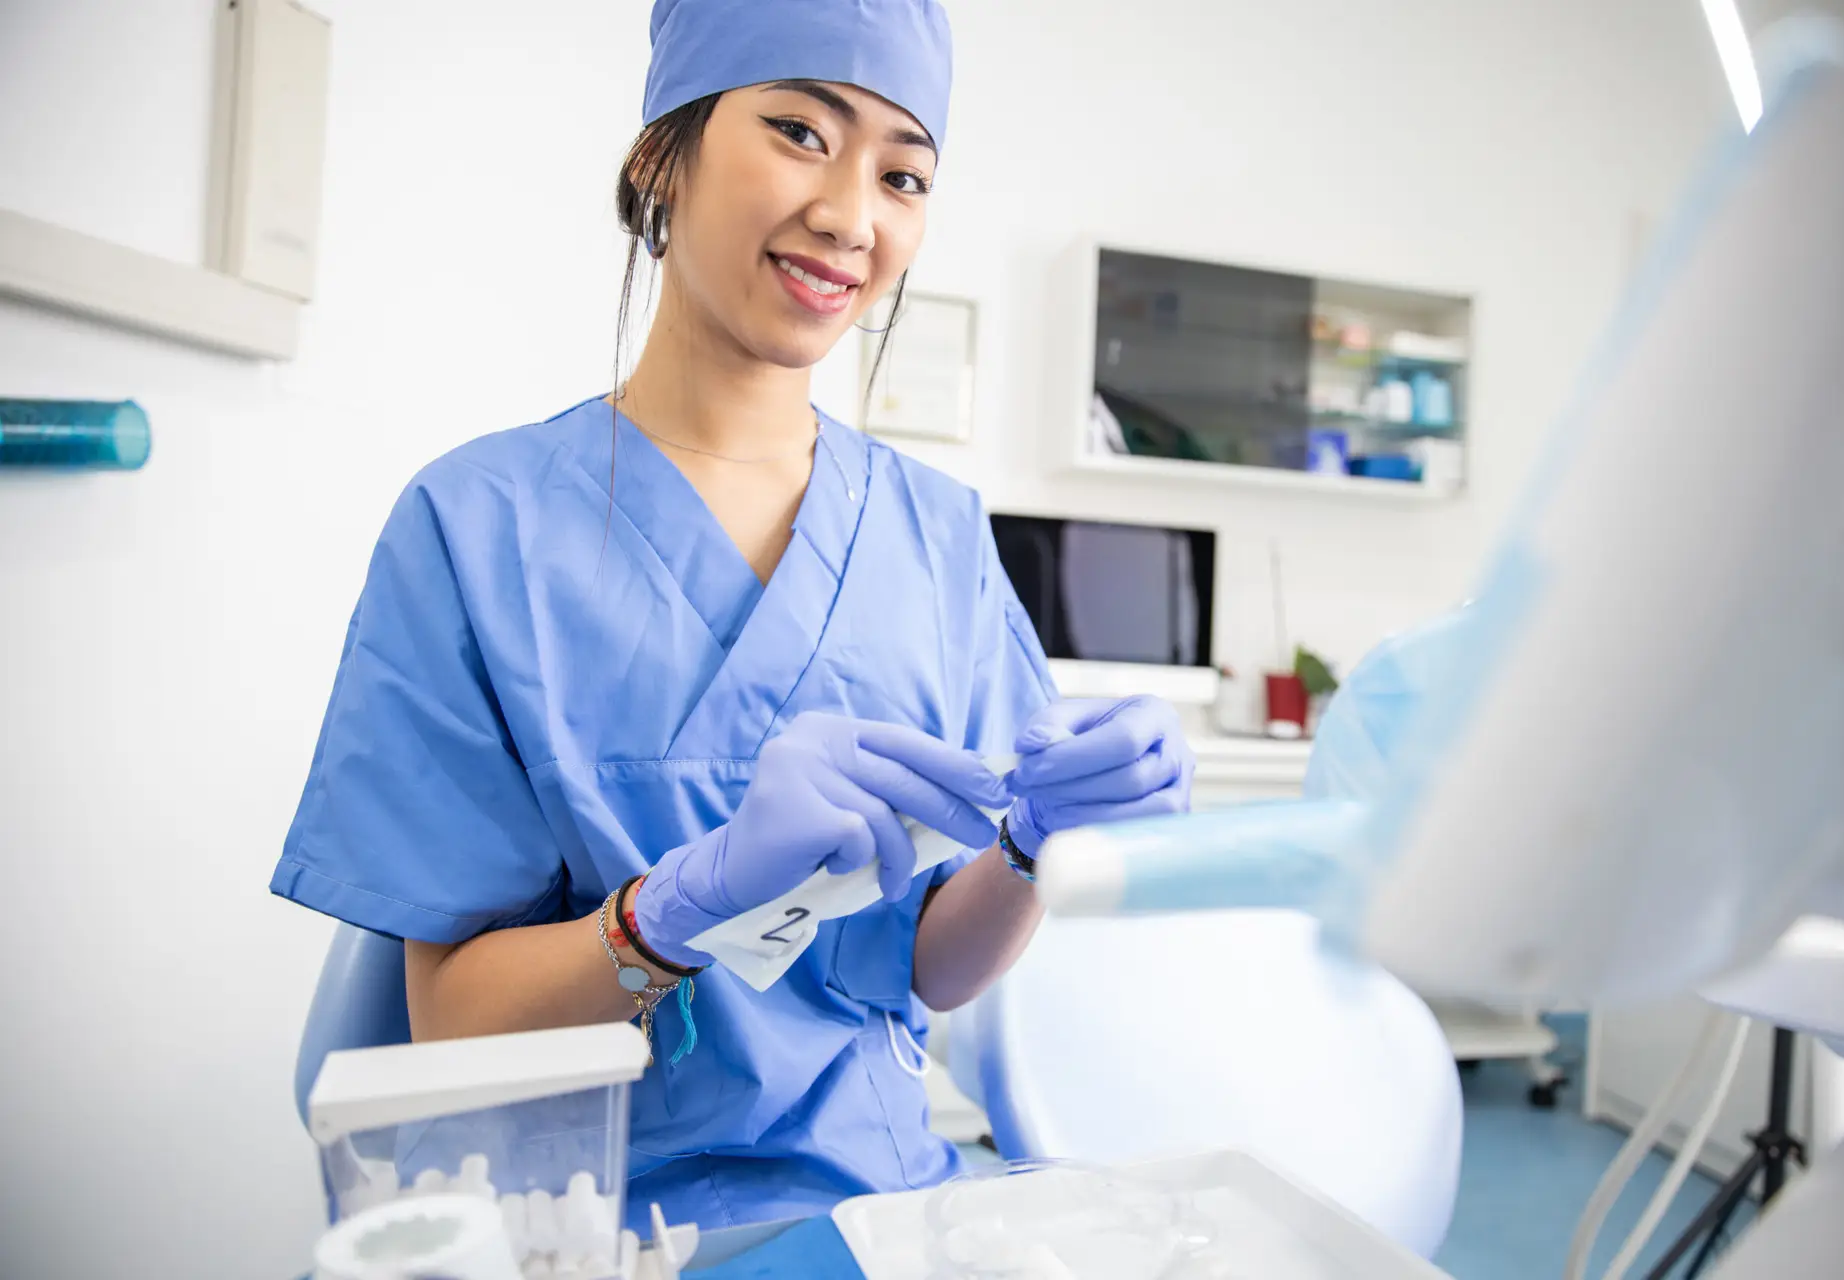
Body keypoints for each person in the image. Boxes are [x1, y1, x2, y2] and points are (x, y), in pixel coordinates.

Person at [271, 0, 1196, 1233]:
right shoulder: (476, 527)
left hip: (879, 1209)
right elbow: (454, 1024)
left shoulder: (936, 535)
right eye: (801, 131)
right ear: (662, 153)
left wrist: (1029, 845)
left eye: (904, 172)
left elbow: (927, 964)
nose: (853, 216)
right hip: (580, 1222)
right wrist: (671, 911)